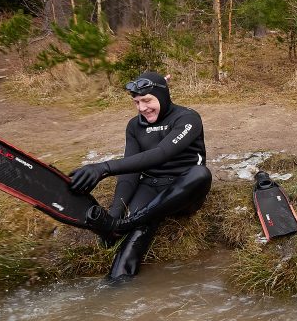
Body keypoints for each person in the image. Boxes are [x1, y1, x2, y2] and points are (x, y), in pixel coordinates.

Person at [69, 71, 211, 281]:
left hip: (184, 188)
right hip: (152, 186)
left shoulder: (188, 118)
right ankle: (116, 287)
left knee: (201, 173)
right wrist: (115, 213)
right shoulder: (135, 126)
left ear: (162, 96)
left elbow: (160, 154)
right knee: (138, 231)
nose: (142, 108)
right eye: (136, 102)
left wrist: (103, 168)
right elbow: (132, 172)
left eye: (147, 100)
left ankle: (127, 224)